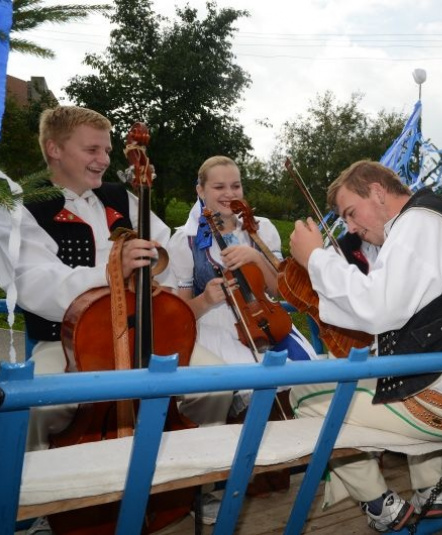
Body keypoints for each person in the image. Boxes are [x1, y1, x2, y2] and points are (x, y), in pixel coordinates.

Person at [13, 107, 231, 532]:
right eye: (91, 149)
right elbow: (34, 283)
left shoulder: (121, 197)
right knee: (36, 408)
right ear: (54, 149)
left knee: (215, 382)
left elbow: (165, 248)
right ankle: (45, 502)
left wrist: (156, 261)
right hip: (69, 341)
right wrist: (114, 269)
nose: (104, 159)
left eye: (107, 149)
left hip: (143, 334)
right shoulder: (25, 208)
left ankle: (192, 480)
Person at [288, 160, 442, 532]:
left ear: (378, 191)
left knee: (302, 391)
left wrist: (315, 258)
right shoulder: (435, 219)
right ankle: (431, 497)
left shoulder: (417, 223)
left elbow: (378, 308)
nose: (349, 227)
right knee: (398, 372)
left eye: (350, 212)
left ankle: (382, 507)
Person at [167, 155, 318, 415]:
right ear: (200, 191)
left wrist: (257, 258)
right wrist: (206, 299)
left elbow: (280, 291)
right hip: (214, 327)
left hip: (268, 321)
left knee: (307, 380)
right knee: (254, 389)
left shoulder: (260, 229)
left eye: (235, 186)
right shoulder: (185, 240)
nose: (229, 194)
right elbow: (177, 315)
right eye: (219, 187)